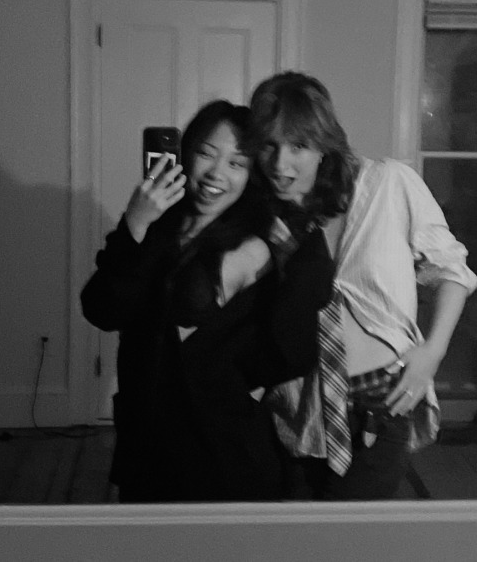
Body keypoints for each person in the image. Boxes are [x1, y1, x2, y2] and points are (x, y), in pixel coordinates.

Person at [81, 100, 334, 503]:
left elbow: (294, 351)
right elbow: (101, 309)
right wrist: (135, 223)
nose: (217, 173)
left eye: (237, 163)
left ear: (252, 174)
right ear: (186, 154)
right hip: (146, 447)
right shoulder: (157, 223)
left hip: (225, 452)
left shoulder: (258, 243)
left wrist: (237, 382)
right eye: (206, 153)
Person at [249, 71, 477, 500]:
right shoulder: (265, 219)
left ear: (324, 144)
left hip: (381, 400)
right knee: (299, 532)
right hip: (299, 405)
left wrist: (432, 353)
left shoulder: (389, 184)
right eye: (268, 145)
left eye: (297, 146)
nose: (280, 165)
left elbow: (452, 270)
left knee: (358, 531)